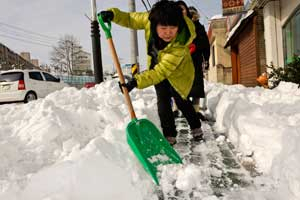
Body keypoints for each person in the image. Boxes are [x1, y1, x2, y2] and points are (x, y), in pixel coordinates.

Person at [99, 0, 203, 145]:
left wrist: (136, 81)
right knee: (163, 101)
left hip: (179, 73)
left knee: (182, 101)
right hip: (156, 66)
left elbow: (160, 72)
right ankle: (169, 135)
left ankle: (196, 126)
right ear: (155, 24)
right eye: (164, 28)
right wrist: (113, 14)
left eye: (173, 28)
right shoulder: (149, 19)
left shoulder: (180, 44)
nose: (168, 32)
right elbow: (130, 18)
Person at [176, 1, 210, 120]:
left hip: (195, 60)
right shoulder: (178, 26)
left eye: (192, 14)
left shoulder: (199, 27)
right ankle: (177, 109)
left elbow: (205, 43)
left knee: (195, 87)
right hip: (180, 61)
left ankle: (195, 111)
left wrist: (205, 57)